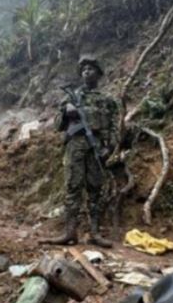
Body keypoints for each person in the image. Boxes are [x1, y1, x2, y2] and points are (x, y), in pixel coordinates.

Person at [42, 55, 120, 248]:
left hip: (97, 145)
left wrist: (109, 148)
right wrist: (66, 112)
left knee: (95, 188)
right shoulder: (70, 97)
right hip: (75, 144)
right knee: (73, 187)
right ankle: (70, 233)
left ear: (98, 74)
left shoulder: (107, 100)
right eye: (84, 69)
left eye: (91, 68)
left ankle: (94, 233)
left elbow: (114, 127)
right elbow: (57, 125)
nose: (86, 71)